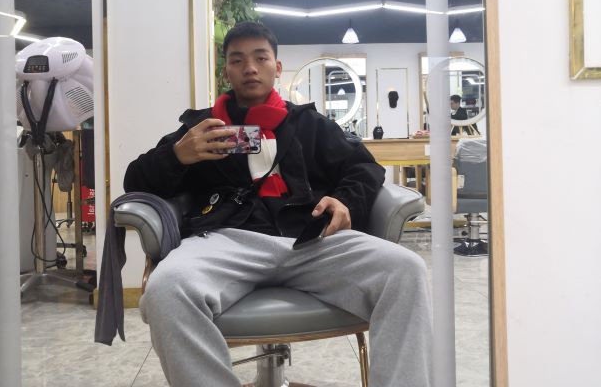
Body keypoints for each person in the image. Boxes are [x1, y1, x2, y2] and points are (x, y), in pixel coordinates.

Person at [123, 21, 432, 387]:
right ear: (226, 71)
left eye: (260, 58)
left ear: (277, 67)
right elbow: (135, 180)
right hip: (226, 239)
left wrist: (345, 201)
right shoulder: (202, 128)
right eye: (237, 60)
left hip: (310, 238)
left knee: (407, 271)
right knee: (166, 289)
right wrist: (177, 155)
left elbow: (364, 167)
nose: (250, 68)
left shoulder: (308, 124)